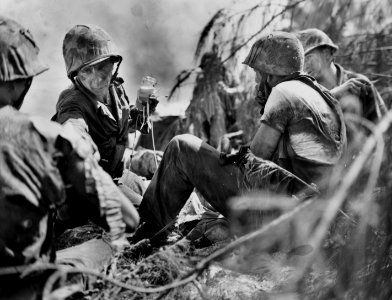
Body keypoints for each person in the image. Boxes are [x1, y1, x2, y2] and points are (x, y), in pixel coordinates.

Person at [131, 31, 347, 244]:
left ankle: (143, 239)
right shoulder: (326, 98)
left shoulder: (283, 92)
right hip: (315, 219)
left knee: (182, 147)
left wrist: (212, 174)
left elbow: (254, 163)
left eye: (257, 73)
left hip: (280, 219)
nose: (255, 80)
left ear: (270, 72)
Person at [0, 16, 139, 299]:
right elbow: (128, 218)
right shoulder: (52, 135)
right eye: (94, 69)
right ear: (21, 80)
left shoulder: (116, 91)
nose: (103, 74)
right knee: (110, 247)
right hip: (29, 288)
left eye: (107, 67)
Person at [52, 24, 159, 207]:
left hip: (116, 175)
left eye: (102, 66)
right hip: (92, 187)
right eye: (87, 70)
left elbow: (123, 121)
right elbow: (72, 127)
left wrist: (141, 112)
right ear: (75, 74)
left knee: (156, 195)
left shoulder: (115, 89)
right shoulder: (72, 102)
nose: (97, 77)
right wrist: (79, 144)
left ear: (113, 64)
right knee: (149, 214)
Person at [296, 28, 387, 124]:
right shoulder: (303, 93)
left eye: (308, 58)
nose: (304, 66)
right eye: (300, 62)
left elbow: (383, 129)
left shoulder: (360, 86)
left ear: (326, 54)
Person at [185, 45, 244, 149]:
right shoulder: (202, 79)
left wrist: (228, 90)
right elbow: (195, 99)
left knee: (217, 139)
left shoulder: (228, 75)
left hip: (226, 116)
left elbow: (241, 89)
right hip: (204, 117)